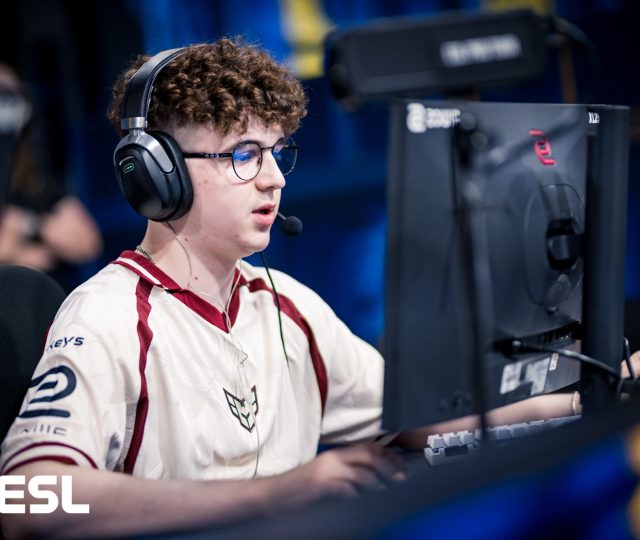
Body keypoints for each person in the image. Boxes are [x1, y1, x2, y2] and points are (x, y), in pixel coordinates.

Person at [0, 38, 629, 539]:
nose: (274, 178)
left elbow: (418, 422)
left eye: (278, 153)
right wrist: (274, 494)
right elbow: (27, 498)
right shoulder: (108, 315)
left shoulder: (285, 305)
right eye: (244, 154)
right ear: (157, 175)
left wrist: (599, 395)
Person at [0, 62, 103, 291]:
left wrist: (29, 224)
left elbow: (87, 243)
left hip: (39, 301)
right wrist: (22, 256)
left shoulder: (34, 177)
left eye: (11, 97)